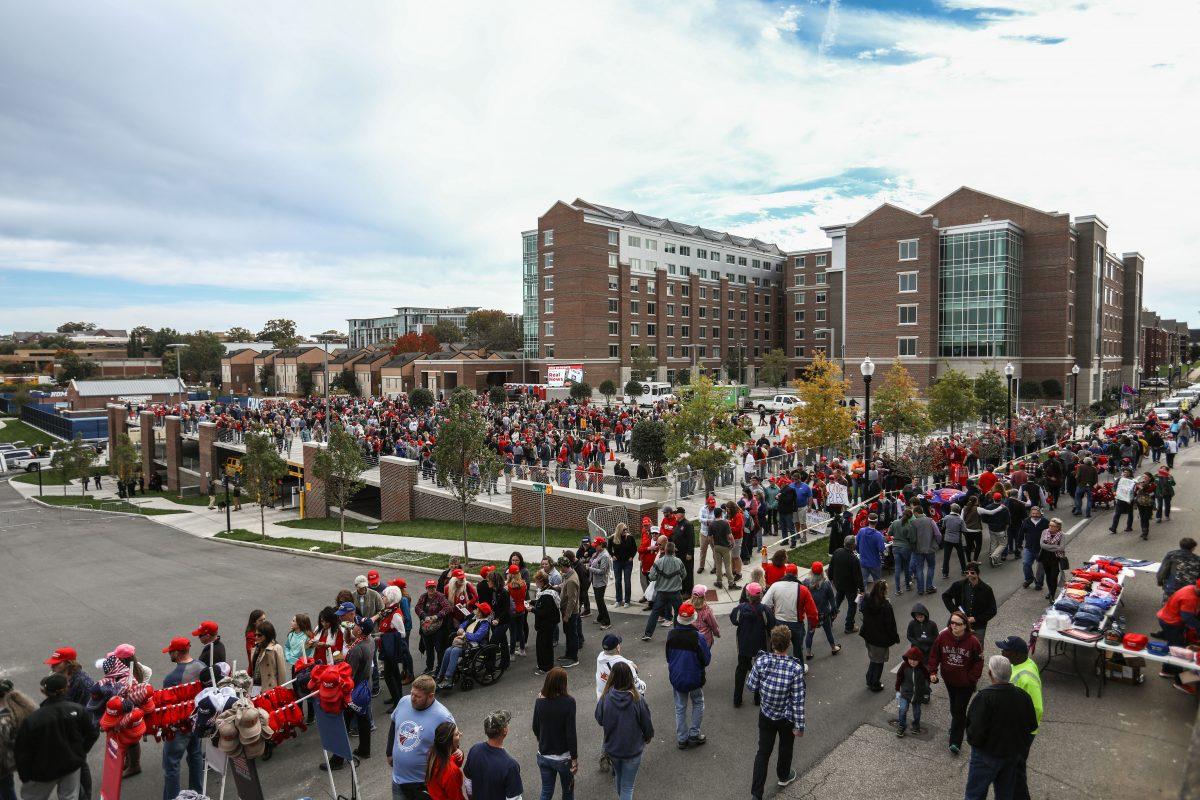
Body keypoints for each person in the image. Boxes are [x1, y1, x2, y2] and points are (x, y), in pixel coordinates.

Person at [13, 673, 98, 800]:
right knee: (70, 797)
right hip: (71, 765)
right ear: (66, 688)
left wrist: (24, 775)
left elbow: (22, 750)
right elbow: (92, 733)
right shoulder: (78, 710)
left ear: (44, 692)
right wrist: (80, 752)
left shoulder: (33, 719)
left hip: (42, 771)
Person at [964, 656, 1038, 800]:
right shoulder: (1023, 696)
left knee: (975, 794)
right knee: (1005, 794)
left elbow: (974, 731)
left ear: (990, 674)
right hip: (1011, 755)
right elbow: (1031, 726)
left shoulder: (985, 698)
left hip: (985, 756)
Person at [745, 625, 805, 800]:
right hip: (786, 717)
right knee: (786, 748)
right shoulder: (795, 668)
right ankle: (783, 775)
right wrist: (799, 725)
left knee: (763, 752)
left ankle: (756, 794)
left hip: (766, 714)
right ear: (788, 645)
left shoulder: (762, 662)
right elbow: (798, 699)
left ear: (772, 643)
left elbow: (750, 685)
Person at [387, 676, 455, 799]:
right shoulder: (404, 701)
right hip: (398, 780)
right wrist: (389, 752)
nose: (412, 698)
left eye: (418, 696)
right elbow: (393, 723)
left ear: (431, 696)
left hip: (423, 785)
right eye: (412, 693)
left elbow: (451, 747)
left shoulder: (443, 717)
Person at [927, 610, 984, 755]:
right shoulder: (943, 636)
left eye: (958, 624)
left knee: (959, 711)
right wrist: (933, 671)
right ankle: (959, 724)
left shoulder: (973, 641)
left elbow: (979, 662)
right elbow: (935, 654)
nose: (954, 626)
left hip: (965, 684)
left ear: (965, 625)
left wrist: (971, 678)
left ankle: (955, 742)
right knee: (954, 707)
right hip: (949, 681)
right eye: (952, 623)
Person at [595, 662, 653, 800]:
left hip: (613, 749)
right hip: (633, 750)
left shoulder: (605, 698)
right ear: (629, 677)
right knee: (628, 786)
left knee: (619, 778)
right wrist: (648, 736)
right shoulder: (638, 699)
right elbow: (646, 723)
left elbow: (599, 718)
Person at [997, 635, 1043, 800]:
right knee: (1014, 770)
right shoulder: (1021, 664)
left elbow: (1037, 708)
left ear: (1016, 654)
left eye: (1005, 650)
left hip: (1021, 733)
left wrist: (1019, 732)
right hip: (1017, 730)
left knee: (1016, 772)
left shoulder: (1026, 678)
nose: (1002, 652)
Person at [160, 637, 206, 800]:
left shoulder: (172, 678)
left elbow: (166, 705)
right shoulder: (202, 666)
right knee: (195, 755)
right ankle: (198, 793)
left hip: (179, 725)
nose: (169, 654)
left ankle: (172, 798)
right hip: (197, 720)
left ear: (177, 653)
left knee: (171, 763)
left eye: (170, 651)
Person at [666, 602, 711, 750]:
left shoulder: (671, 635)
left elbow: (668, 657)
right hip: (695, 678)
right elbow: (706, 660)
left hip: (677, 677)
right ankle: (694, 734)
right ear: (693, 619)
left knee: (680, 707)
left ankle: (682, 738)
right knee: (698, 702)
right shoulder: (699, 637)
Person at [532, 668, 578, 800]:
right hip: (563, 758)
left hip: (544, 755)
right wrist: (574, 759)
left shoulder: (539, 701)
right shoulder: (569, 702)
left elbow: (535, 727)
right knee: (568, 791)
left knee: (546, 792)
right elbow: (570, 734)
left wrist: (543, 740)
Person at [730, 583, 777, 707]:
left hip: (744, 645)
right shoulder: (765, 610)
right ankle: (757, 699)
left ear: (747, 595)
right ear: (761, 595)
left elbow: (734, 620)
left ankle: (737, 699)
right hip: (760, 646)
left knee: (741, 670)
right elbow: (772, 625)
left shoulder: (740, 608)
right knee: (760, 671)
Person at [463, 709, 523, 800]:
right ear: (505, 730)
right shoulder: (510, 766)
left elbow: (468, 782)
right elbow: (514, 798)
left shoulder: (475, 750)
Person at [762, 564, 819, 659]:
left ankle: (778, 667)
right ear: (796, 574)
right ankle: (799, 668)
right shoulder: (803, 589)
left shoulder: (775, 586)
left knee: (779, 648)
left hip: (779, 622)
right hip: (796, 624)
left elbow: (764, 604)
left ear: (785, 573)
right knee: (797, 650)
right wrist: (813, 625)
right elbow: (812, 612)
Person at [1155, 580, 1200, 693]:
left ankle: (1166, 670)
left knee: (1173, 645)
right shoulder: (1190, 598)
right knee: (1179, 652)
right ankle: (1180, 682)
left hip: (1167, 618)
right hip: (1171, 622)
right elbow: (1187, 618)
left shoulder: (1191, 588)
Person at [436, 604, 492, 689]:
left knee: (454, 651)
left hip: (474, 646)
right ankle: (441, 675)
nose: (475, 609)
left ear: (480, 613)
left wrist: (465, 634)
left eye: (477, 609)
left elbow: (477, 637)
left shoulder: (485, 624)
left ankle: (448, 678)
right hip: (464, 642)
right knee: (448, 650)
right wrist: (461, 628)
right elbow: (463, 624)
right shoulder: (473, 618)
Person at [941, 563, 997, 643]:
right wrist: (956, 612)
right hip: (959, 623)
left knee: (977, 649)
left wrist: (976, 619)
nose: (969, 575)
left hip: (978, 626)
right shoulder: (959, 585)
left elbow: (992, 610)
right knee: (955, 645)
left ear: (977, 573)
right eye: (967, 573)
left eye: (972, 572)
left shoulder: (986, 590)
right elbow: (946, 596)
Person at [859, 581, 899, 692]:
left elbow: (861, 609)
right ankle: (874, 683)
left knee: (873, 659)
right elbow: (890, 625)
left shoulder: (867, 600)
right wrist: (895, 637)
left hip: (868, 636)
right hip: (880, 639)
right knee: (878, 662)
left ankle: (869, 679)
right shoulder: (886, 606)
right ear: (884, 591)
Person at [641, 541, 686, 641]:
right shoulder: (679, 561)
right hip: (675, 593)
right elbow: (684, 575)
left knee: (655, 613)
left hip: (661, 593)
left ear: (665, 550)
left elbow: (651, 577)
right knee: (679, 613)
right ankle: (677, 635)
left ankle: (648, 634)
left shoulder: (658, 562)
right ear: (674, 551)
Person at [0, 680, 37, 800]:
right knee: (8, 789)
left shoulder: (3, 719)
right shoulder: (19, 708)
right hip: (10, 762)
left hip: (2, 762)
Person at [802, 563, 841, 658]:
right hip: (824, 613)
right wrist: (834, 611)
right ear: (822, 573)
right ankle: (833, 648)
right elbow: (832, 599)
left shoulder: (806, 582)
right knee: (828, 631)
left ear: (811, 571)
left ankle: (808, 652)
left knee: (810, 633)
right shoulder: (826, 584)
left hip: (812, 614)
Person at [595, 634, 646, 701]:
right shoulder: (625, 666)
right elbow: (638, 687)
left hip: (602, 699)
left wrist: (630, 662)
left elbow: (614, 659)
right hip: (618, 703)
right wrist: (643, 686)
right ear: (618, 648)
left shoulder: (600, 657)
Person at [894, 646, 931, 737]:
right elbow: (899, 677)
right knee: (902, 709)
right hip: (906, 693)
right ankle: (902, 726)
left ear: (919, 660)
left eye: (915, 660)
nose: (912, 662)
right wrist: (898, 690)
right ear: (907, 658)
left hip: (917, 695)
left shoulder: (922, 668)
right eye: (910, 659)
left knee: (917, 712)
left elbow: (927, 679)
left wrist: (926, 691)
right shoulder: (904, 666)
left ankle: (916, 726)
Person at [416, 579, 452, 676]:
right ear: (426, 588)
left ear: (435, 587)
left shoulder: (440, 596)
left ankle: (440, 668)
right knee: (428, 649)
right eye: (429, 587)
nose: (431, 589)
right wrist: (424, 616)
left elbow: (448, 608)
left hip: (438, 628)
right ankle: (429, 667)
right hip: (426, 628)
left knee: (439, 649)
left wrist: (437, 616)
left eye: (433, 587)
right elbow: (417, 608)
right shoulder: (423, 597)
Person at [829, 535, 863, 633]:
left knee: (837, 601)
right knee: (852, 605)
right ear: (853, 545)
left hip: (838, 584)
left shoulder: (837, 552)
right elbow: (858, 576)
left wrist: (831, 579)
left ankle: (829, 619)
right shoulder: (854, 559)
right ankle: (849, 626)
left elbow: (831, 568)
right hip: (850, 587)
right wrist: (862, 590)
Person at [424, 721, 465, 800]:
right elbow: (456, 797)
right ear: (448, 741)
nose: (461, 734)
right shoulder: (451, 771)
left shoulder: (433, 754)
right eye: (456, 734)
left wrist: (458, 753)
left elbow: (456, 763)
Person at [533, 572, 561, 675]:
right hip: (548, 624)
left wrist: (532, 609)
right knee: (544, 645)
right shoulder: (548, 590)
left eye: (536, 581)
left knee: (544, 646)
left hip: (546, 625)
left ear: (541, 581)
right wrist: (533, 603)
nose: (535, 583)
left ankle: (545, 667)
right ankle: (544, 664)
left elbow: (544, 612)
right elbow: (541, 604)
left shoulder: (546, 595)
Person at [909, 506, 941, 595]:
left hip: (918, 550)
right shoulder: (930, 521)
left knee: (919, 568)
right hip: (930, 548)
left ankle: (920, 589)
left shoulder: (913, 523)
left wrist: (914, 548)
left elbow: (912, 539)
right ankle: (929, 587)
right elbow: (938, 534)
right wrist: (937, 544)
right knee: (931, 566)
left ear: (916, 513)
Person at [558, 558, 583, 668]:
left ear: (564, 567)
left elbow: (572, 600)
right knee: (568, 634)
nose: (560, 569)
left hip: (571, 613)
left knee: (572, 635)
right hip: (568, 611)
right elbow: (565, 588)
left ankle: (574, 658)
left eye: (560, 567)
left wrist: (567, 615)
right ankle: (568, 655)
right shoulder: (569, 575)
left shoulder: (571, 580)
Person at [251, 620, 288, 691]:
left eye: (259, 635)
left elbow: (281, 672)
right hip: (256, 686)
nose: (256, 637)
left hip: (270, 687)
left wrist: (281, 690)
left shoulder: (276, 648)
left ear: (267, 635)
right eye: (255, 635)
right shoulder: (256, 648)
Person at [1037, 518, 1068, 600]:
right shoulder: (1044, 532)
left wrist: (1048, 547)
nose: (1050, 527)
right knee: (1048, 575)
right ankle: (1050, 591)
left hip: (1056, 558)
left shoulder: (1062, 535)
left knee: (1054, 576)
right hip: (1045, 557)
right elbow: (1041, 545)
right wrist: (1054, 547)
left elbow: (1061, 548)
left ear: (1058, 527)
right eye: (1050, 525)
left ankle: (1052, 595)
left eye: (1053, 526)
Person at [1018, 506, 1049, 591]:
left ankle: (1039, 583)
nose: (1035, 515)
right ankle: (1029, 579)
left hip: (1041, 549)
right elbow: (1021, 533)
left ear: (1040, 513)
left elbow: (1050, 535)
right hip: (1029, 548)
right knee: (1026, 564)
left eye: (1036, 513)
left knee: (1040, 568)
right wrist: (1019, 544)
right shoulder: (1026, 521)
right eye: (1033, 514)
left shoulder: (1045, 522)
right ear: (1030, 514)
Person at [610, 523, 638, 608]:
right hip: (617, 562)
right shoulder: (613, 538)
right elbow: (608, 547)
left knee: (627, 581)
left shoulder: (630, 538)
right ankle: (618, 600)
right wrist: (612, 555)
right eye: (624, 530)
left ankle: (627, 601)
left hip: (627, 563)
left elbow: (634, 548)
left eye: (626, 529)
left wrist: (631, 557)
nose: (626, 531)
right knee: (618, 581)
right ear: (619, 530)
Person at [888, 508, 915, 595]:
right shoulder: (909, 526)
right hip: (905, 548)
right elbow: (912, 539)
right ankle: (907, 586)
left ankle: (898, 590)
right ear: (910, 517)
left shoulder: (895, 522)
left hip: (895, 547)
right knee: (906, 567)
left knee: (897, 568)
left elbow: (889, 533)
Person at [855, 514, 887, 588]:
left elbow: (856, 545)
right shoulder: (878, 535)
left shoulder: (861, 531)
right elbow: (882, 549)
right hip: (875, 563)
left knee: (863, 583)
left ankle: (862, 599)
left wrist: (860, 552)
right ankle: (878, 598)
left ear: (868, 521)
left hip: (863, 562)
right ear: (876, 522)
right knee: (878, 583)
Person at [707, 507, 735, 590]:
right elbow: (729, 536)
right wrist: (733, 543)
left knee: (718, 565)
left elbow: (709, 537)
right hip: (725, 547)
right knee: (727, 565)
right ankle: (731, 583)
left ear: (714, 514)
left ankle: (719, 582)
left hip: (717, 546)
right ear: (721, 514)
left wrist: (713, 544)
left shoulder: (711, 524)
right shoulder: (725, 523)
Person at [192, 620, 226, 686]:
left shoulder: (211, 653)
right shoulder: (220, 645)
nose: (199, 638)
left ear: (207, 636)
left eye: (200, 635)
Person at [589, 537, 613, 629]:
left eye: (596, 545)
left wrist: (590, 568)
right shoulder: (598, 553)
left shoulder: (605, 556)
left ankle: (607, 622)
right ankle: (600, 617)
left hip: (601, 582)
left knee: (600, 601)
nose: (595, 547)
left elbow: (602, 571)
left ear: (601, 545)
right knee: (598, 601)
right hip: (595, 581)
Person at [940, 503, 968, 579]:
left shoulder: (946, 517)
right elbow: (964, 530)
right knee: (961, 555)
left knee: (946, 556)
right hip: (957, 539)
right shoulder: (960, 520)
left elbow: (943, 527)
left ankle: (945, 573)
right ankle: (964, 570)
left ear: (951, 509)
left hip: (947, 539)